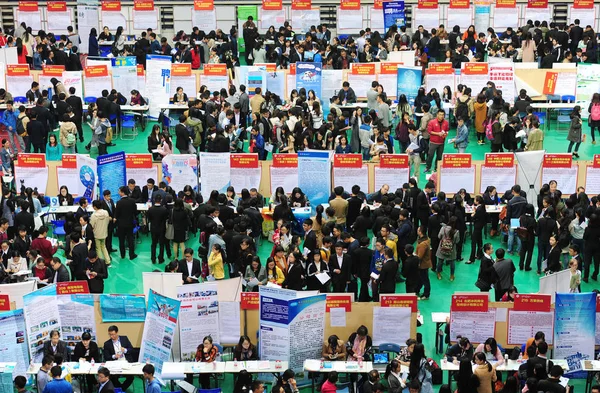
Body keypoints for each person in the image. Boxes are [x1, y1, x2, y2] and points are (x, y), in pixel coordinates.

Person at [103, 325, 134, 390]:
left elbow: (131, 349)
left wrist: (125, 350)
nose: (112, 336)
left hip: (126, 362)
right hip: (115, 364)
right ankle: (119, 388)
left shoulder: (124, 339)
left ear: (117, 333)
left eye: (113, 334)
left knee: (131, 377)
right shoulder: (107, 344)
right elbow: (106, 357)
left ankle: (121, 389)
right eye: (110, 335)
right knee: (112, 377)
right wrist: (114, 356)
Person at [114, 186, 138, 260]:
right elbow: (135, 212)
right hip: (130, 223)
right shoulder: (132, 201)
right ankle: (131, 255)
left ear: (122, 192)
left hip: (121, 224)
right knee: (130, 239)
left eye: (119, 191)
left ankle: (122, 255)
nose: (118, 192)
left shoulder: (119, 203)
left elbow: (117, 214)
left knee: (121, 240)